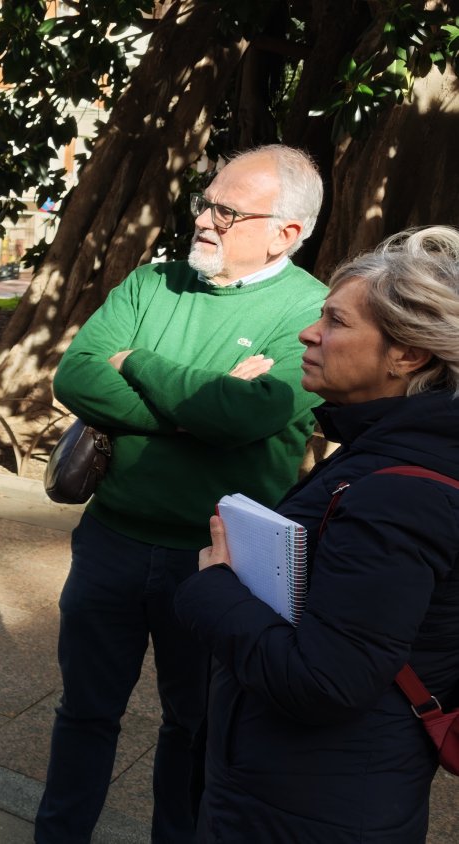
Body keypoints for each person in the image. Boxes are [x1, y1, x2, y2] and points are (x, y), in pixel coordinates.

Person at [35, 145, 329, 842]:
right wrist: (206, 404)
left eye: (227, 211)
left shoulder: (313, 311)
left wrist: (135, 361)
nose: (205, 219)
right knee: (84, 711)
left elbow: (248, 417)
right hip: (111, 539)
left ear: (286, 231)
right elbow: (76, 377)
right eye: (205, 202)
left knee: (196, 726)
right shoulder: (152, 283)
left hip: (220, 560)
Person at [176, 226, 459, 842]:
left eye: (335, 321)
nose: (309, 333)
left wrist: (211, 589)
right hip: (308, 787)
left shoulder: (400, 491)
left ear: (408, 354)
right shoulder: (386, 449)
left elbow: (327, 681)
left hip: (310, 807)